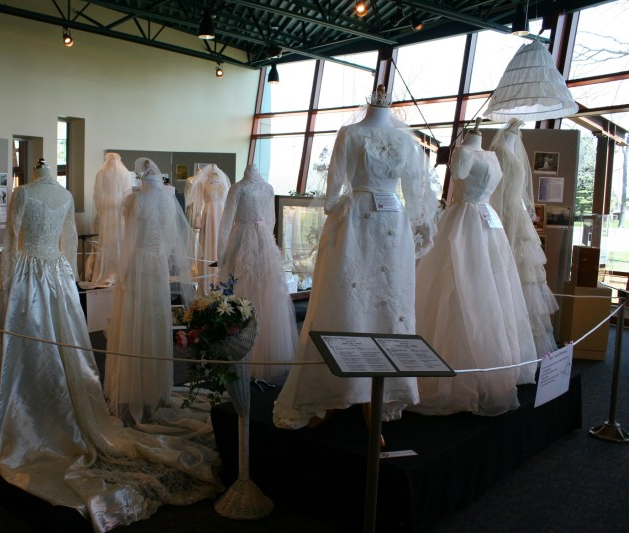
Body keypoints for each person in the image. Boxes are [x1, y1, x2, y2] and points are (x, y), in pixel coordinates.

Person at [0, 160, 219, 531]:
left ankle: (27, 418)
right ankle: (44, 411)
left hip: (28, 277)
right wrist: (68, 279)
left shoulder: (25, 194)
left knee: (27, 351)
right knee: (52, 347)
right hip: (56, 275)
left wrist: (7, 282)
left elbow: (13, 240)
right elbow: (68, 244)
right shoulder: (64, 195)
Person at [273, 86, 438, 430]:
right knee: (350, 299)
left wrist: (335, 208)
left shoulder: (399, 140)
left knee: (387, 302)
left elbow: (333, 194)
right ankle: (343, 387)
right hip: (370, 225)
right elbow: (413, 200)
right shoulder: (353, 134)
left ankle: (376, 390)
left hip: (373, 222)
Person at [410, 127, 537, 417]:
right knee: (461, 280)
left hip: (474, 219)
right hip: (478, 220)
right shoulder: (479, 155)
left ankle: (477, 368)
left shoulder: (471, 153)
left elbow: (458, 176)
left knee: (481, 283)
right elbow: (460, 175)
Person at [105, 157, 196, 426]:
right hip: (157, 264)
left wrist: (122, 272)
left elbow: (129, 240)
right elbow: (170, 238)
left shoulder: (135, 200)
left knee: (137, 320)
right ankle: (154, 387)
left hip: (139, 264)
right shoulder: (167, 199)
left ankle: (135, 387)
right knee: (154, 320)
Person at [217, 163, 298, 382]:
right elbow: (270, 220)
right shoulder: (260, 187)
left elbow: (226, 222)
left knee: (253, 289)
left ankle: (251, 350)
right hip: (261, 238)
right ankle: (252, 348)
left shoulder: (240, 188)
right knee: (257, 289)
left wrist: (221, 254)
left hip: (246, 237)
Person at [489, 118, 558, 364]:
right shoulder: (500, 152)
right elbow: (496, 193)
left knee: (526, 278)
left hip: (517, 217)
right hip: (505, 216)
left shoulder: (515, 150)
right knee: (508, 274)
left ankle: (525, 346)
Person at [84, 152, 133, 285]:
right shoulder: (125, 173)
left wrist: (102, 209)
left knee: (107, 243)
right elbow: (128, 195)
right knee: (118, 241)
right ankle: (119, 273)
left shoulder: (101, 173)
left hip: (107, 213)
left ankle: (106, 272)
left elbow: (97, 195)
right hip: (120, 213)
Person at [188, 164, 230, 296]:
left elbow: (228, 202)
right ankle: (207, 283)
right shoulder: (203, 182)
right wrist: (197, 217)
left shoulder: (223, 181)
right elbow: (198, 202)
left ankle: (221, 281)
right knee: (209, 245)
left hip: (221, 216)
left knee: (220, 244)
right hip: (208, 217)